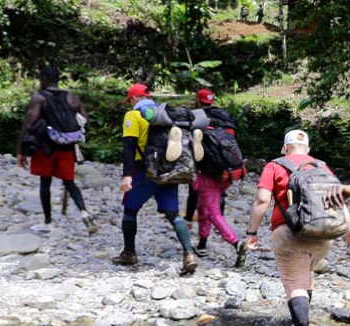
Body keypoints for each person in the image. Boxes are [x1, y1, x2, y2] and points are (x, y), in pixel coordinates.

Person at [246, 130, 350, 326]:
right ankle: (301, 321)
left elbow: (262, 200)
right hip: (323, 235)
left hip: (289, 233)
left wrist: (252, 233)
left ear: (284, 148)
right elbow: (339, 201)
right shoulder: (321, 167)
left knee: (294, 283)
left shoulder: (274, 166)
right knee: (304, 276)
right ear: (307, 149)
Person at [115, 83, 199, 275]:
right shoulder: (166, 115)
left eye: (130, 100)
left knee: (130, 211)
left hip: (144, 172)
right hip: (169, 170)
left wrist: (126, 176)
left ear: (134, 99)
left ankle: (129, 253)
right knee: (173, 214)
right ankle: (189, 254)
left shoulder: (133, 115)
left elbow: (129, 147)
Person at [17, 67, 97, 235]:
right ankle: (84, 213)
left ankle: (48, 222)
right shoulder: (72, 97)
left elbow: (28, 123)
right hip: (67, 148)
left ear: (44, 79)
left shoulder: (39, 98)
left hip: (45, 148)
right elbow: (86, 123)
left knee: (45, 183)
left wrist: (20, 150)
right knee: (70, 183)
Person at [186, 88, 246, 266]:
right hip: (230, 172)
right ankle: (202, 245)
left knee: (212, 212)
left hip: (209, 174)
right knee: (203, 208)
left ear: (198, 100)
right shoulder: (224, 117)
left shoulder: (197, 118)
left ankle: (236, 244)